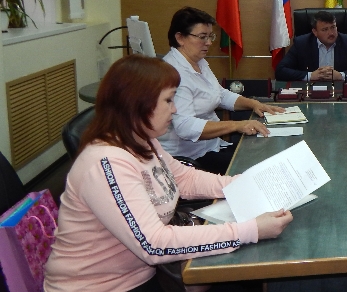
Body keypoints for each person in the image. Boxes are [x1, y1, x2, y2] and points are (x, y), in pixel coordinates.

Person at [44, 55, 293, 292]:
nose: (174, 110)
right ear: (137, 104)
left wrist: (245, 185)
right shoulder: (105, 163)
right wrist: (250, 231)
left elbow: (184, 178)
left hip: (147, 274)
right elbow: (154, 244)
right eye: (168, 100)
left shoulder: (142, 140)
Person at [160, 7, 284, 175]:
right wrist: (236, 125)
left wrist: (254, 104)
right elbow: (185, 127)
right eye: (202, 37)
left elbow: (220, 94)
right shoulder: (174, 73)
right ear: (180, 38)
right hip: (189, 158)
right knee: (259, 167)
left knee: (264, 152)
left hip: (212, 146)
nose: (209, 42)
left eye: (210, 36)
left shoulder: (198, 61)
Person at [275, 10, 347, 81]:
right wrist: (311, 76)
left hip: (340, 92)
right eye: (325, 29)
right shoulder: (301, 43)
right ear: (315, 32)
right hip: (310, 92)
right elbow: (280, 71)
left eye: (333, 27)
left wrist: (341, 76)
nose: (331, 33)